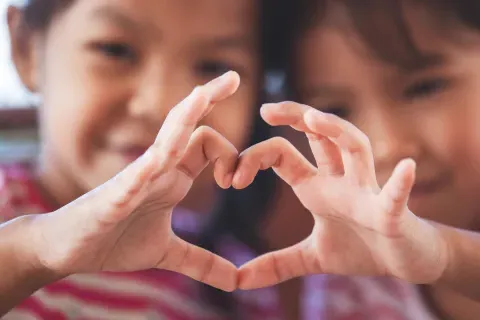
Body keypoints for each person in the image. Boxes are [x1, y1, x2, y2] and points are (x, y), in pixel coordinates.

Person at [0, 0, 281, 318]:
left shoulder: (238, 283)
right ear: (27, 49)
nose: (160, 104)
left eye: (212, 67)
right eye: (115, 50)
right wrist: (31, 254)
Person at [238, 0, 480, 319]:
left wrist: (447, 257)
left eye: (425, 88)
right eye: (335, 111)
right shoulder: (351, 285)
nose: (386, 147)